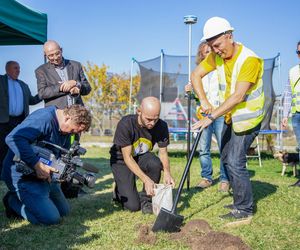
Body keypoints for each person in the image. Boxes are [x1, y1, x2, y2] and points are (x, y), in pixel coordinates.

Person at [191, 17, 265, 220]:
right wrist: (204, 101)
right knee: (225, 156)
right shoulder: (216, 56)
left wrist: (211, 116)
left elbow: (239, 96)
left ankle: (244, 209)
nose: (215, 50)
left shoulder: (249, 59)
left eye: (218, 45)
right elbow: (195, 75)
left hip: (248, 118)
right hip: (231, 117)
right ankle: (239, 200)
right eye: (211, 46)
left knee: (234, 160)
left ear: (229, 36)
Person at [1, 105, 92, 225]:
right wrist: (36, 165)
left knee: (64, 211)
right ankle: (12, 201)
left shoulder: (64, 129)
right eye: (74, 130)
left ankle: (34, 199)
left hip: (42, 175)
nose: (74, 134)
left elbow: (56, 154)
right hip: (21, 176)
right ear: (67, 118)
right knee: (51, 219)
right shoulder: (43, 119)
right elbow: (13, 138)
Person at [110, 96, 175, 214]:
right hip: (122, 160)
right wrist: (146, 179)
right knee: (133, 206)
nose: (152, 123)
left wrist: (167, 172)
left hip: (142, 156)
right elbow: (127, 157)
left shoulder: (161, 126)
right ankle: (119, 190)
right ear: (139, 111)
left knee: (155, 163)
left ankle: (146, 200)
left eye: (156, 119)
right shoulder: (125, 124)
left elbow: (163, 152)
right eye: (149, 119)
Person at [185, 42, 229, 191]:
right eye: (206, 51)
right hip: (203, 115)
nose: (209, 53)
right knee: (204, 148)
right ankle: (206, 177)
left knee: (224, 147)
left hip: (220, 113)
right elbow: (196, 98)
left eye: (211, 50)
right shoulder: (197, 74)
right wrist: (189, 92)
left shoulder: (221, 70)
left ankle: (225, 179)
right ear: (201, 54)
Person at [0, 61, 41, 176]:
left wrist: (42, 94)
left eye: (19, 68)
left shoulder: (23, 85)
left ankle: (12, 171)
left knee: (16, 147)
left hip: (19, 121)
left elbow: (32, 100)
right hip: (2, 121)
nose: (18, 70)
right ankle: (1, 174)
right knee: (1, 147)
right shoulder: (1, 80)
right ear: (7, 69)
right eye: (15, 68)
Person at [35, 40, 91, 109]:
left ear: (61, 50)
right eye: (51, 55)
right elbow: (42, 93)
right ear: (45, 54)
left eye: (57, 53)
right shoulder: (41, 71)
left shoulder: (76, 65)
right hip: (56, 115)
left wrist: (76, 83)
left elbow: (87, 88)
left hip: (77, 113)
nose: (55, 58)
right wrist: (61, 87)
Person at [281, 41, 300, 187]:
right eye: (298, 52)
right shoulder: (293, 71)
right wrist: (285, 115)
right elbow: (288, 94)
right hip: (297, 115)